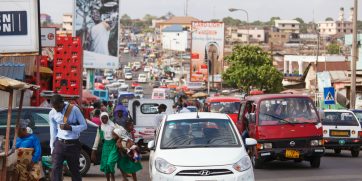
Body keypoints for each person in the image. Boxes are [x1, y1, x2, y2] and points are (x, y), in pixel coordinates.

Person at [49, 94, 87, 181]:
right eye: (55, 107)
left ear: (62, 102)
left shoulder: (74, 109)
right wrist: (52, 147)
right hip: (59, 143)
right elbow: (53, 130)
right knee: (55, 168)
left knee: (74, 170)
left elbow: (84, 126)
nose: (57, 109)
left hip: (73, 144)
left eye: (58, 107)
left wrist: (71, 128)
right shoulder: (52, 113)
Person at [91, 112, 118, 181]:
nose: (104, 120)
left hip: (113, 146)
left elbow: (119, 134)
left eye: (105, 118)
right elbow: (97, 139)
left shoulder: (113, 126)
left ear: (108, 118)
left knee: (110, 163)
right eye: (102, 118)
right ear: (100, 119)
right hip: (105, 147)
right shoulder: (100, 127)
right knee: (106, 165)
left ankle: (113, 178)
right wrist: (93, 151)